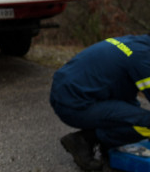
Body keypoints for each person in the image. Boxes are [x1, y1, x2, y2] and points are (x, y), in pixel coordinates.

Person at [50, 34, 150, 171]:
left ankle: (108, 143)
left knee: (133, 113)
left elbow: (126, 95)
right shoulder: (143, 59)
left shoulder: (135, 42)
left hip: (65, 93)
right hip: (74, 105)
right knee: (146, 123)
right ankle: (86, 140)